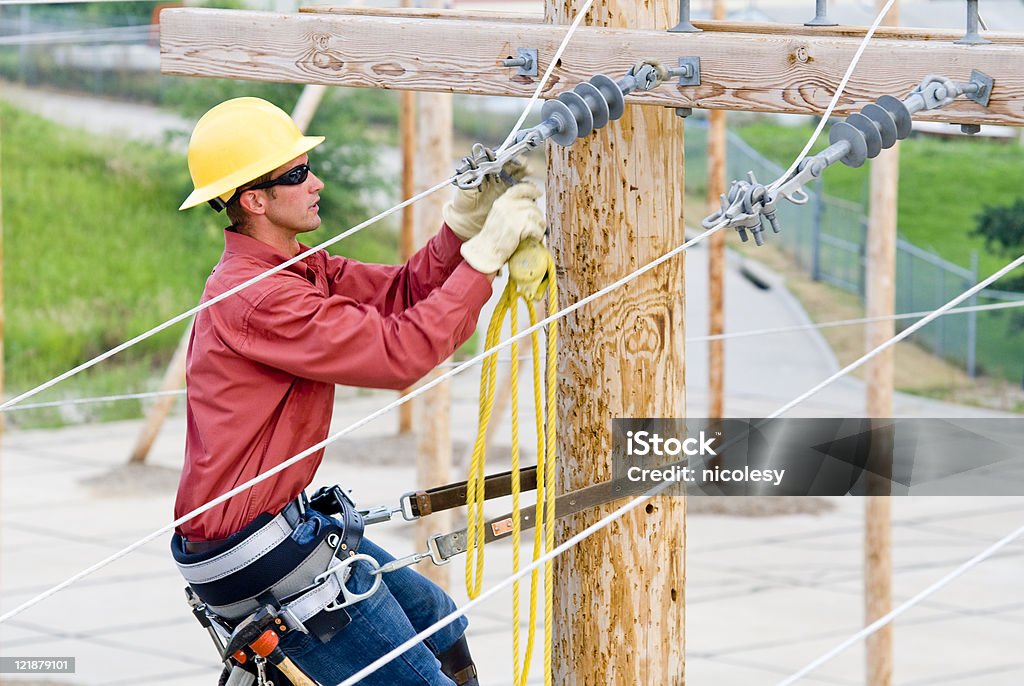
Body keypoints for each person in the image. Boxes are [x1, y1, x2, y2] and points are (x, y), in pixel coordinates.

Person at [170, 97, 544, 686]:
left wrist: (461, 230)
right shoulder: (260, 296)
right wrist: (485, 258)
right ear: (254, 200)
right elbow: (399, 353)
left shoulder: (295, 268)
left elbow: (399, 295)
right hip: (258, 558)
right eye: (297, 173)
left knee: (437, 622)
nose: (315, 181)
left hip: (281, 529)